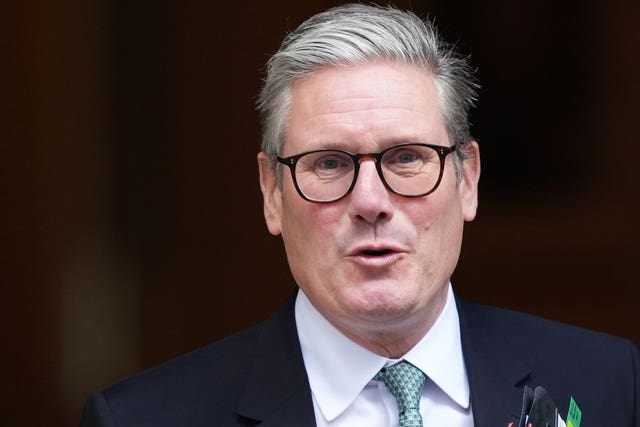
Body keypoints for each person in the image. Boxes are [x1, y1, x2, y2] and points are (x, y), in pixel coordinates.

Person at [80, 4, 638, 426]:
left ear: (467, 180)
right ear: (272, 193)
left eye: (407, 157)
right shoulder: (144, 418)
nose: (371, 201)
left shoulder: (612, 384)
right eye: (328, 163)